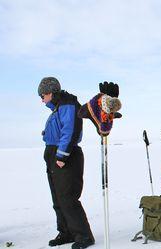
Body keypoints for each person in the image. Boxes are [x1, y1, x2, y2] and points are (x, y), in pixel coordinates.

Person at [39, 77, 95, 249]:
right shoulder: (57, 107)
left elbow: (70, 131)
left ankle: (84, 236)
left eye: (42, 95)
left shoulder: (67, 104)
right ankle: (66, 232)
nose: (41, 99)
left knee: (68, 198)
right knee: (58, 199)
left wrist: (62, 156)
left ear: (50, 92)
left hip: (66, 156)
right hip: (53, 154)